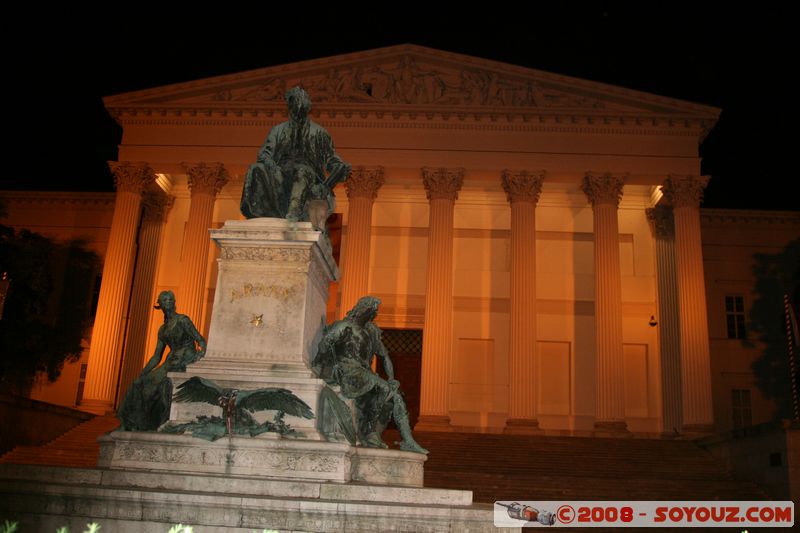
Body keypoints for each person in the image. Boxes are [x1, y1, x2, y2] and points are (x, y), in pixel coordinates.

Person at [314, 296, 427, 453]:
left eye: (374, 312)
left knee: (395, 396)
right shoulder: (344, 326)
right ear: (363, 310)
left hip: (363, 374)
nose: (374, 314)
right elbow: (324, 345)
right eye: (372, 311)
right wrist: (321, 368)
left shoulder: (370, 332)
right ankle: (369, 431)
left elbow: (385, 356)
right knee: (383, 388)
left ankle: (407, 440)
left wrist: (392, 378)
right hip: (348, 373)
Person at [240, 86, 351, 222]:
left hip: (308, 175)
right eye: (295, 105)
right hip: (280, 172)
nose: (297, 110)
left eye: (300, 106)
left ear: (306, 108)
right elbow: (264, 153)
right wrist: (271, 165)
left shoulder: (319, 133)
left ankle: (294, 212)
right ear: (290, 107)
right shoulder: (278, 130)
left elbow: (331, 160)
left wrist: (338, 170)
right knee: (255, 168)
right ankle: (255, 212)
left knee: (301, 170)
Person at [117, 290, 206, 431]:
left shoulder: (183, 320)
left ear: (174, 303)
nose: (169, 302)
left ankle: (152, 422)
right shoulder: (162, 329)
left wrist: (199, 355)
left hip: (185, 359)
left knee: (160, 384)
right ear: (160, 305)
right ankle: (131, 423)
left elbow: (200, 340)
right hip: (170, 361)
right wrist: (143, 373)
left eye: (171, 299)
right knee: (140, 383)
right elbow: (156, 356)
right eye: (165, 300)